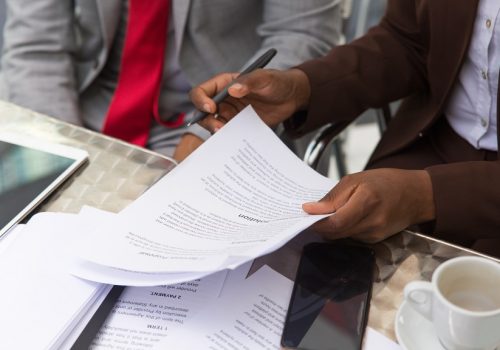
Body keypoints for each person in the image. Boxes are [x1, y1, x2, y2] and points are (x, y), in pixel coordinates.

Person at [190, 0, 500, 257]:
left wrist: (426, 195)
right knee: (312, 274)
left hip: (460, 190)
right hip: (427, 147)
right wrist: (302, 86)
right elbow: (408, 40)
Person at [0, 0, 343, 158]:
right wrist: (62, 148)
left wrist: (209, 130)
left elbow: (302, 36)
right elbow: (36, 46)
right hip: (84, 109)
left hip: (216, 114)